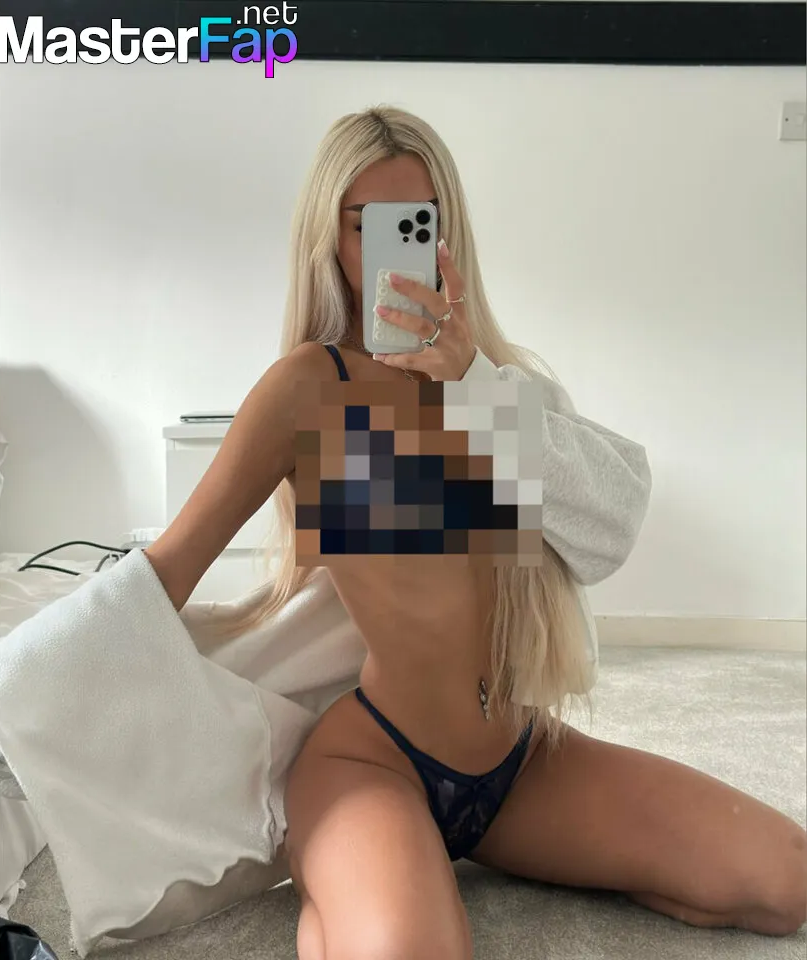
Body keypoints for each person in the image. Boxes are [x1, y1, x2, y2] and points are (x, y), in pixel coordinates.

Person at [144, 106, 806, 959]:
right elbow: (166, 571)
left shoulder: (503, 389)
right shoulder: (309, 388)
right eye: (368, 224)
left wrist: (474, 386)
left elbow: (612, 530)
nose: (395, 248)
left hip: (519, 766)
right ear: (329, 238)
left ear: (446, 234)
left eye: (418, 222)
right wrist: (27, 679)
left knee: (786, 882)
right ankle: (339, 892)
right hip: (373, 762)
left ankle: (396, 882)